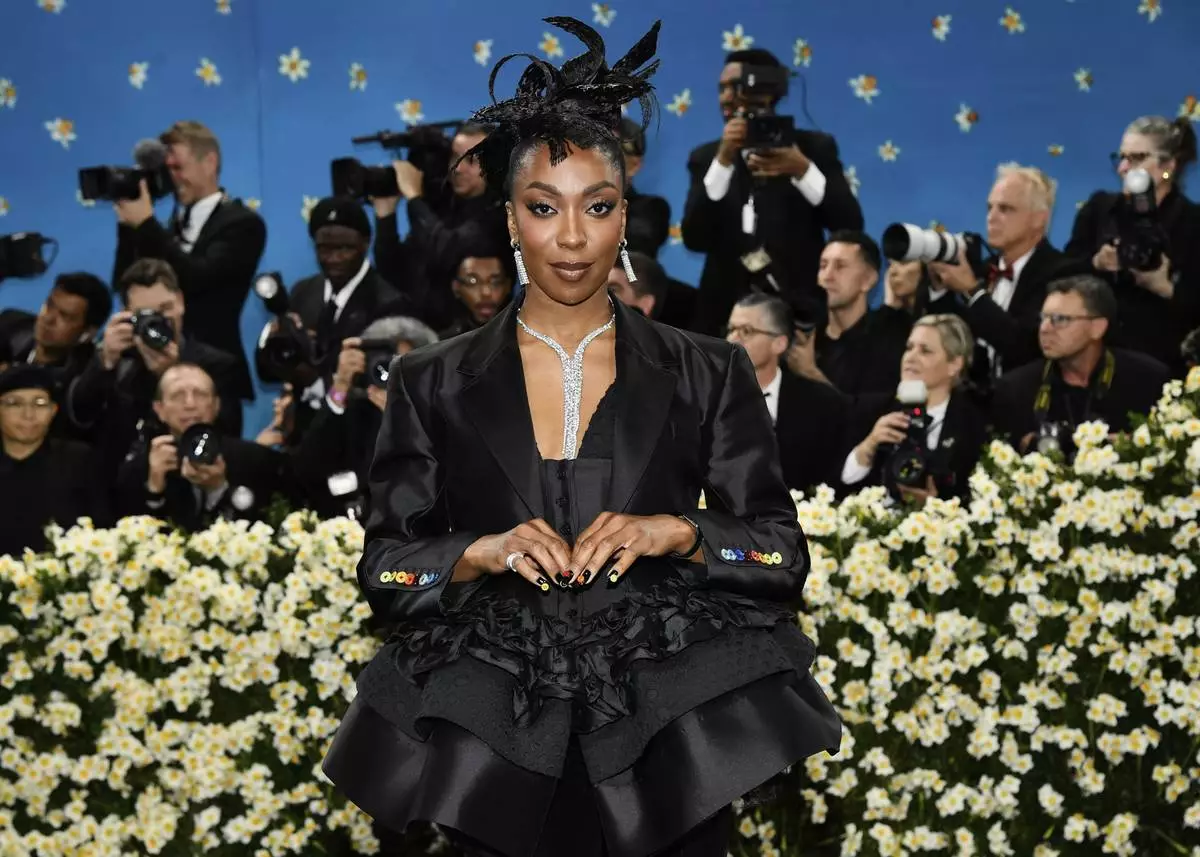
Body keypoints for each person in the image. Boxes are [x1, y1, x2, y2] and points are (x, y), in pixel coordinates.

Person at [322, 17, 840, 857]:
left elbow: (780, 555)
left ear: (624, 215)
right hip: (494, 728)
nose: (570, 237)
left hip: (666, 731)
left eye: (596, 208)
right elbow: (387, 568)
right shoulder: (432, 378)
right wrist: (480, 551)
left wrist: (677, 531)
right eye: (543, 207)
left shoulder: (709, 369)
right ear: (510, 218)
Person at [1065, 115, 1200, 375]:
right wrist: (1096, 263)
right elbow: (1061, 276)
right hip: (1094, 362)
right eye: (1121, 157)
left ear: (1167, 167)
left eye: (1136, 158)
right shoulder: (1100, 210)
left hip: (1165, 367)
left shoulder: (1193, 224)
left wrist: (1167, 288)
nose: (1123, 168)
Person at [840, 314, 987, 503]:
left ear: (954, 364)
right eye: (909, 348)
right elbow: (840, 483)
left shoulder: (974, 423)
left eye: (925, 351)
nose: (911, 357)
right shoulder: (872, 410)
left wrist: (936, 505)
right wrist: (868, 446)